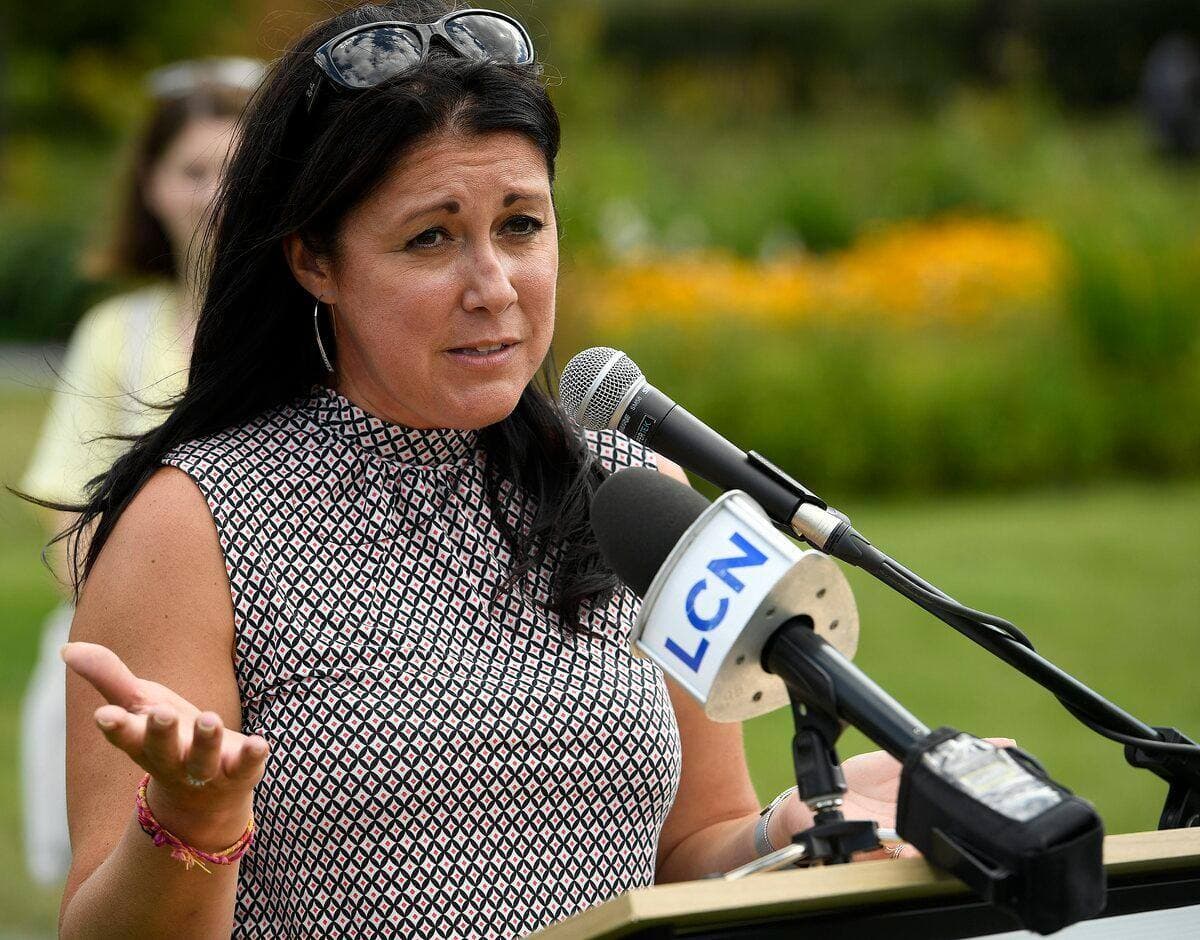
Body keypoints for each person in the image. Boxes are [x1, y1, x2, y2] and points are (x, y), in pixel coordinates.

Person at [54, 4, 969, 936]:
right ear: (315, 260)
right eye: (432, 238)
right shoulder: (195, 520)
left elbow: (694, 846)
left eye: (522, 225)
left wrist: (801, 824)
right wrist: (191, 819)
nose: (494, 286)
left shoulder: (633, 495)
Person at [17, 57, 262, 887]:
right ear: (152, 187)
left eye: (235, 169)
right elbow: (62, 494)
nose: (214, 194)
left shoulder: (294, 327)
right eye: (193, 171)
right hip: (125, 634)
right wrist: (131, 607)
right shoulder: (116, 334)